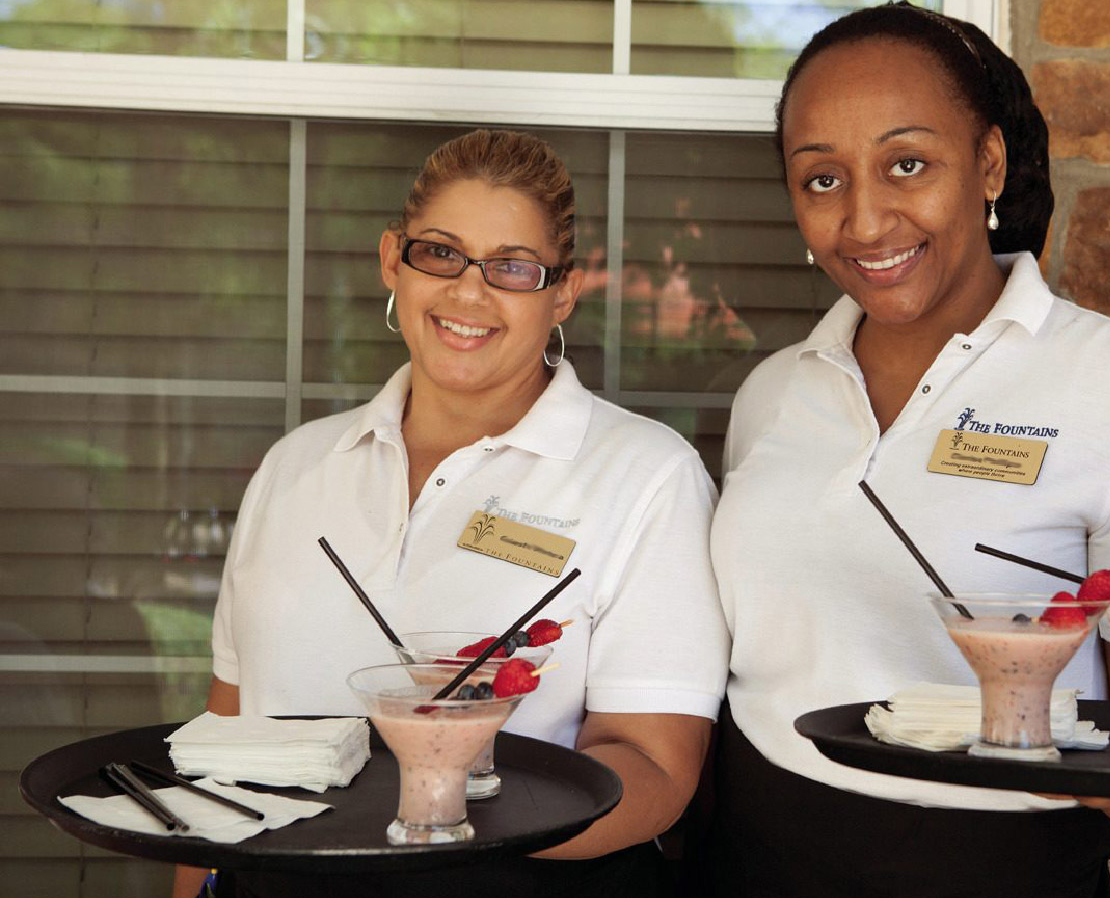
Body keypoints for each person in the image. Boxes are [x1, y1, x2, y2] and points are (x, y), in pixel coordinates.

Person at [703, 4, 1110, 896]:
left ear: (988, 163)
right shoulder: (774, 393)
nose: (867, 220)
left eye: (907, 164)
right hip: (748, 858)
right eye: (822, 180)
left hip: (992, 870)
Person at [173, 129, 730, 898]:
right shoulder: (294, 468)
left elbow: (656, 771)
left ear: (563, 292)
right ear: (391, 261)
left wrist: (431, 813)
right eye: (440, 253)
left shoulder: (646, 476)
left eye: (512, 267)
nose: (469, 293)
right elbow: (229, 736)